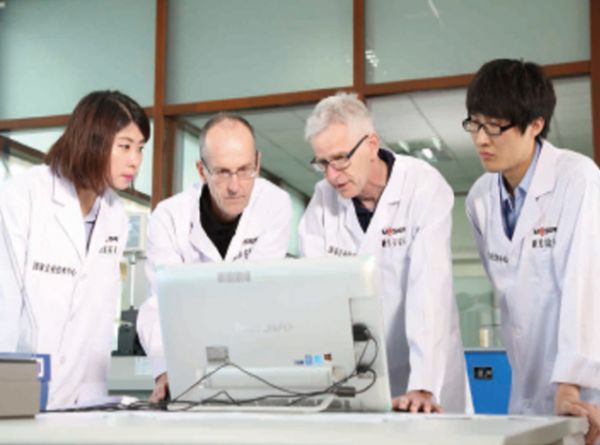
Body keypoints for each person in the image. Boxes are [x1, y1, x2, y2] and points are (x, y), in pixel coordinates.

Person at [298, 93, 469, 413]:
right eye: (323, 163)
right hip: (356, 376)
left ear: (371, 144)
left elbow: (429, 290)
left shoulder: (422, 186)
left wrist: (422, 385)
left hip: (423, 369)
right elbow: (316, 296)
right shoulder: (322, 201)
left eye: (340, 159)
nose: (332, 175)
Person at [464, 59, 600, 443]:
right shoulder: (480, 199)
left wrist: (569, 383)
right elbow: (509, 294)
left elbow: (586, 285)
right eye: (475, 123)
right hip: (525, 385)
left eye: (495, 126)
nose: (481, 139)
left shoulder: (578, 179)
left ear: (535, 125)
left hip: (584, 390)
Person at [0, 91, 149, 409]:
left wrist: (95, 400)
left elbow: (100, 313)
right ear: (93, 140)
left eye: (140, 148)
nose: (135, 160)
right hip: (16, 385)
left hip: (75, 398)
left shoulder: (115, 215)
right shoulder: (23, 196)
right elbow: (5, 303)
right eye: (124, 146)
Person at [136, 113, 292, 402]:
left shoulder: (274, 205)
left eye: (245, 170)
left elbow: (257, 293)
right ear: (201, 170)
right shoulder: (169, 217)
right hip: (187, 361)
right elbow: (160, 305)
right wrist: (167, 370)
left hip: (255, 357)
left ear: (258, 163)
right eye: (222, 172)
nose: (235, 186)